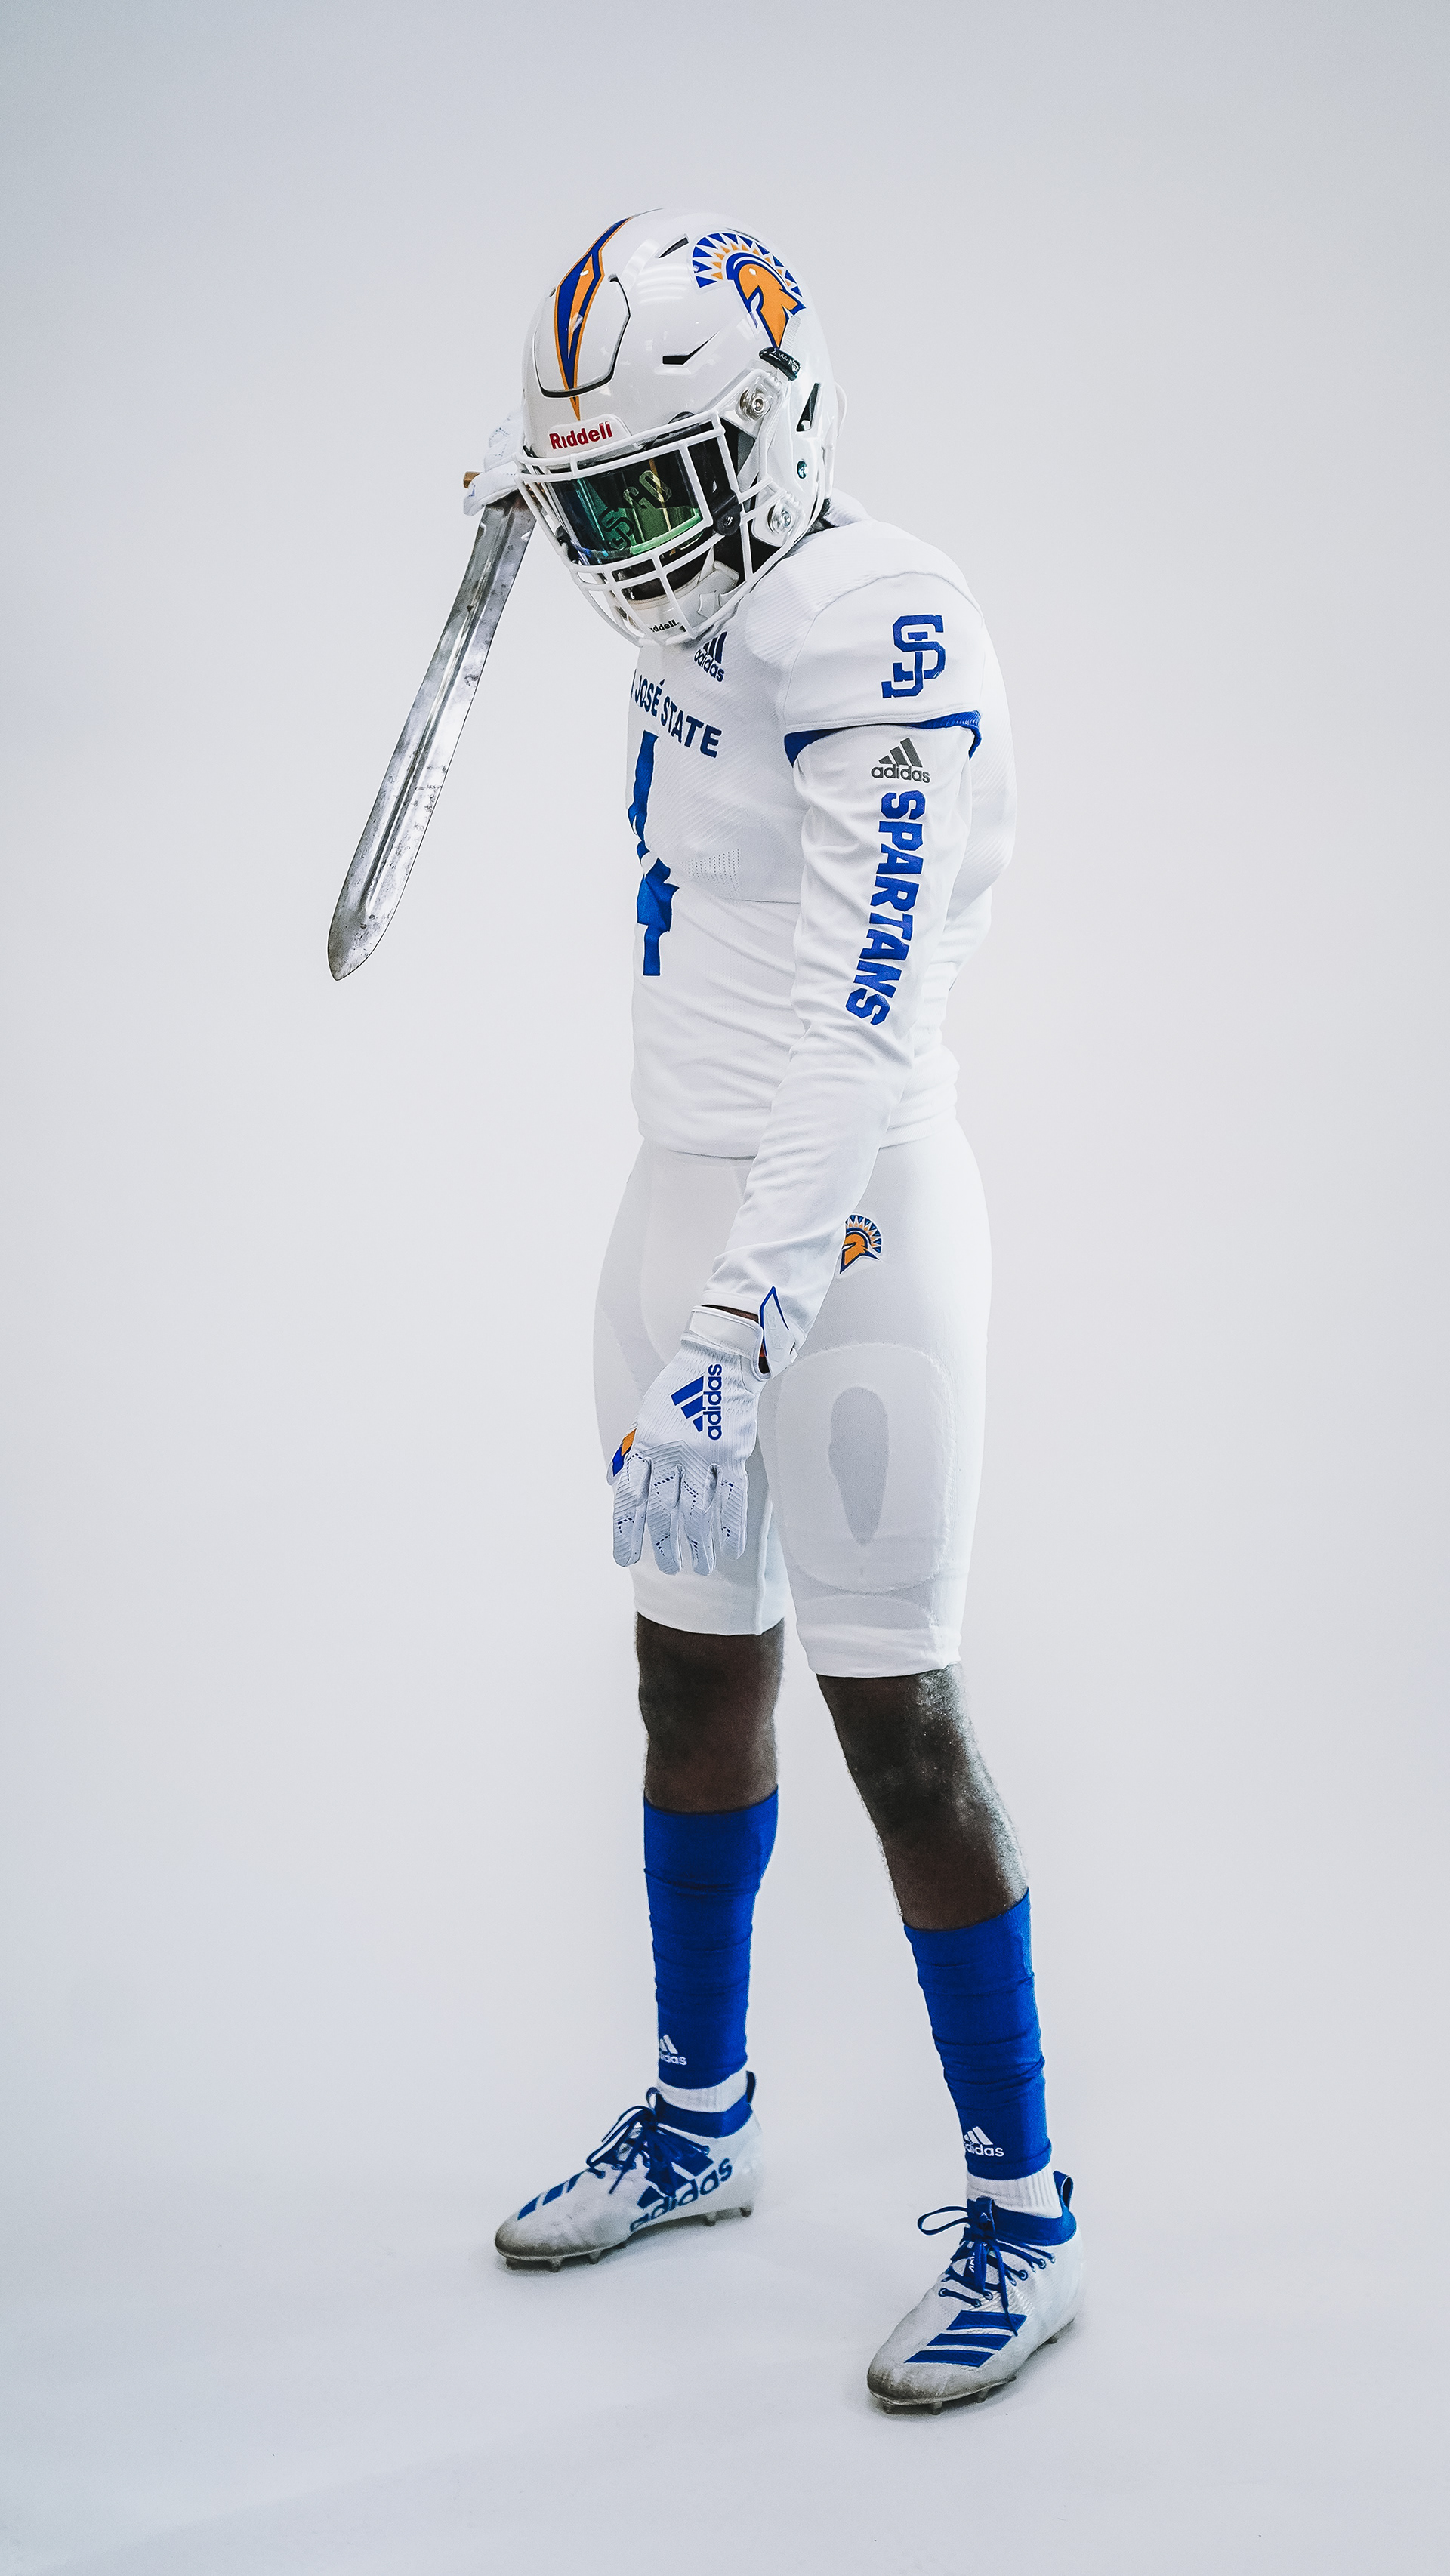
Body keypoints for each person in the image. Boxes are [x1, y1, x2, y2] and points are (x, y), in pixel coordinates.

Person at [478, 211, 1082, 2411]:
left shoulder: (883, 620)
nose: (631, 549)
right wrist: (545, 487)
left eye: (659, 489)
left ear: (774, 431)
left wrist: (744, 1326)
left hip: (848, 1236)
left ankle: (1026, 2210)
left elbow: (861, 1015)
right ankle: (699, 2117)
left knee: (892, 1714)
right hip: (674, 1189)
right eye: (595, 505)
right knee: (682, 1666)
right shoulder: (707, 592)